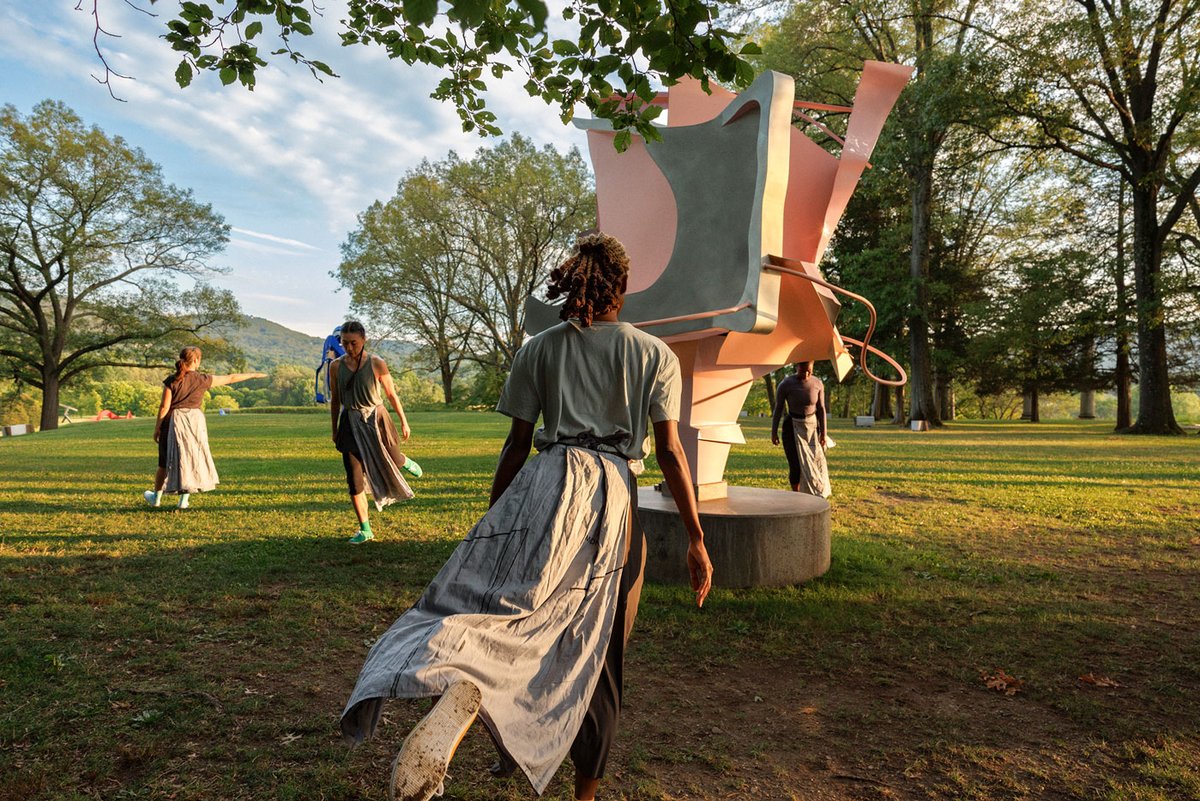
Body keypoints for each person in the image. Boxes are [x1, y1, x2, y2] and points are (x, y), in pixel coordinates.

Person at [340, 233, 714, 801]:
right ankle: (580, 792)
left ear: (574, 282)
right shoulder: (652, 353)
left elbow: (516, 445)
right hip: (609, 497)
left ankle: (476, 709)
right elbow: (670, 452)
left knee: (506, 612)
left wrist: (494, 524)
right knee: (598, 648)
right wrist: (696, 537)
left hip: (543, 485)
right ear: (624, 287)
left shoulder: (539, 348)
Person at [329, 320, 422, 544]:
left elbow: (391, 394)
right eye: (345, 343)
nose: (349, 348)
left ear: (363, 340)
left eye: (354, 343)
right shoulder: (335, 366)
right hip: (350, 422)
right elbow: (335, 401)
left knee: (394, 458)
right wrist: (334, 429)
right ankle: (365, 529)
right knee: (354, 478)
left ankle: (404, 461)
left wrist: (404, 421)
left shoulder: (376, 363)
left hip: (376, 418)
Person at [143, 347, 265, 510]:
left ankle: (156, 499)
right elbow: (231, 378)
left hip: (173, 421)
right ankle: (183, 501)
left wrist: (157, 428)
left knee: (164, 462)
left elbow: (164, 406)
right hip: (194, 422)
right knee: (190, 459)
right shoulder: (203, 379)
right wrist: (253, 375)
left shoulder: (172, 380)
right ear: (196, 361)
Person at [771, 360, 831, 498]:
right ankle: (796, 495)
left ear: (813, 367)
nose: (806, 373)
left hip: (811, 427)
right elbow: (778, 409)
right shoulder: (786, 384)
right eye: (803, 370)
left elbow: (821, 409)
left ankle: (814, 492)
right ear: (796, 366)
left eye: (809, 370)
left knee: (815, 461)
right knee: (795, 464)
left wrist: (823, 433)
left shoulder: (817, 383)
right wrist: (773, 432)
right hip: (792, 427)